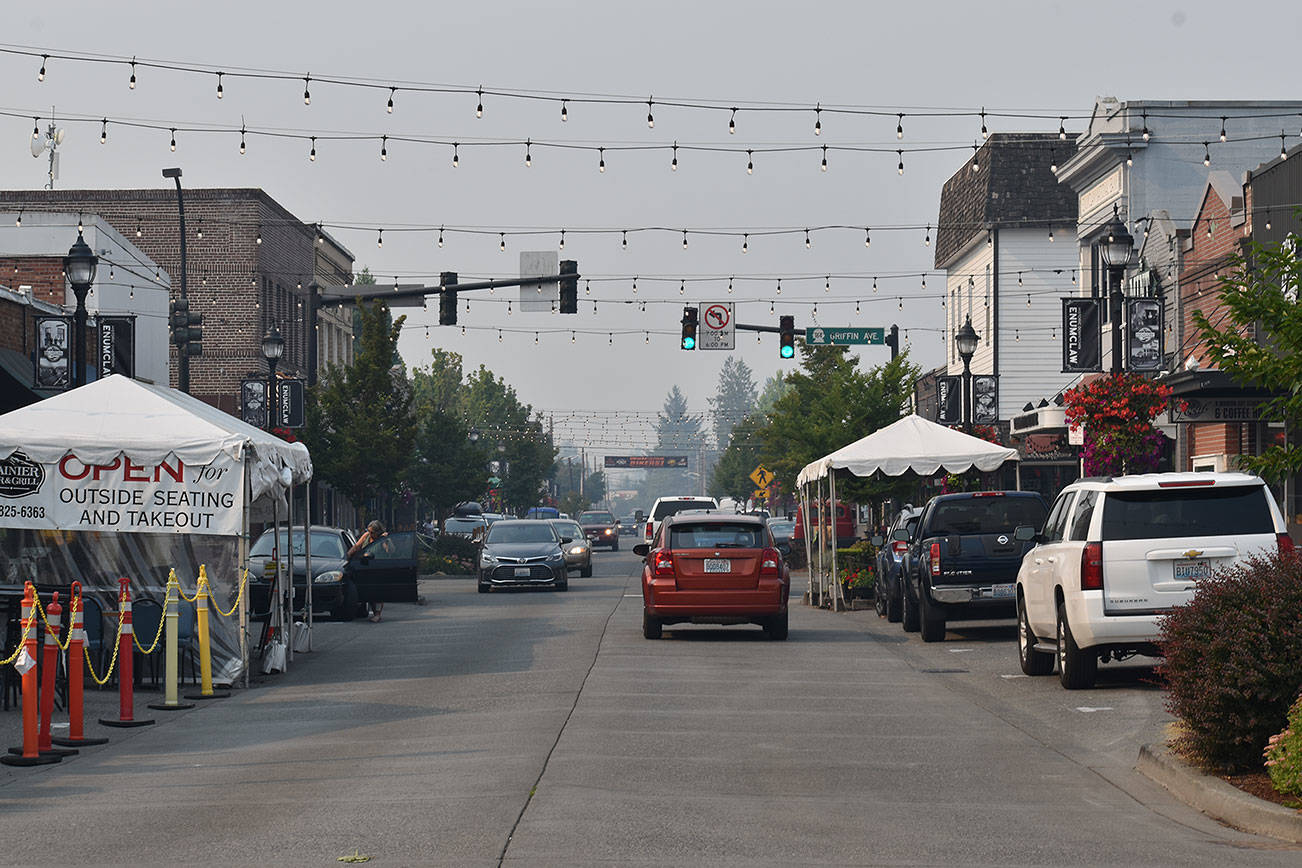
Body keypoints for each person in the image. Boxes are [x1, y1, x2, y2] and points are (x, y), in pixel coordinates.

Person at [348, 520, 386, 622]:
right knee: (368, 590)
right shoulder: (366, 536)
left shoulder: (382, 539)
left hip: (377, 567)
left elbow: (390, 550)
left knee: (377, 591)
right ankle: (371, 611)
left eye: (372, 532)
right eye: (368, 531)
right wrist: (347, 556)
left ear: (378, 532)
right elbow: (356, 547)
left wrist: (385, 540)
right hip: (365, 566)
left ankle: (377, 614)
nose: (370, 534)